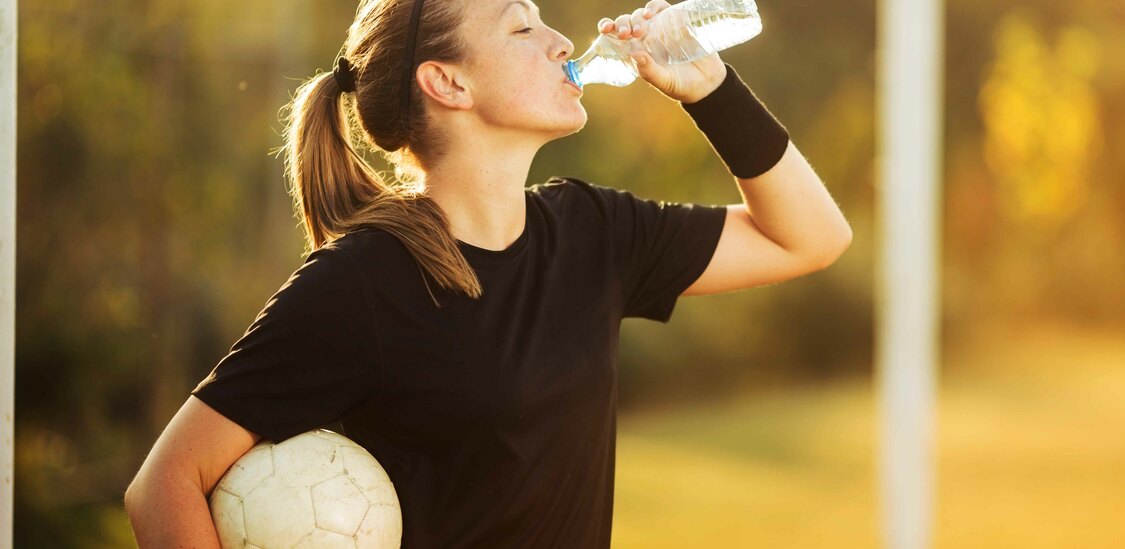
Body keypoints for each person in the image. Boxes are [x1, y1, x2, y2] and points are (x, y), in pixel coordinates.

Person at [123, 0, 853, 546]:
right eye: (522, 27)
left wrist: (712, 89)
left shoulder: (593, 232)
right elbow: (163, 488)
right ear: (448, 82)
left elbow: (810, 238)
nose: (562, 41)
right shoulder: (361, 285)